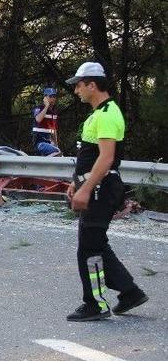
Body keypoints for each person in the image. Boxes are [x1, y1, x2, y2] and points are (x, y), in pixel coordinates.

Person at [64, 61, 148, 321]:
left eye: (79, 84)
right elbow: (89, 157)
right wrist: (76, 183)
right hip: (97, 186)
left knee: (89, 248)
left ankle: (95, 304)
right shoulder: (99, 113)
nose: (76, 89)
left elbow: (106, 158)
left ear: (92, 84)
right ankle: (130, 292)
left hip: (100, 188)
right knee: (95, 243)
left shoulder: (109, 113)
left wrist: (85, 189)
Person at [33, 87, 61, 156]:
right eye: (50, 96)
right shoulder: (39, 108)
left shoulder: (54, 113)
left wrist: (56, 144)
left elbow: (54, 130)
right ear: (45, 98)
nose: (53, 99)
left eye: (54, 96)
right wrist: (46, 106)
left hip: (50, 144)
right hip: (39, 144)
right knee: (56, 151)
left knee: (57, 151)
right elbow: (38, 119)